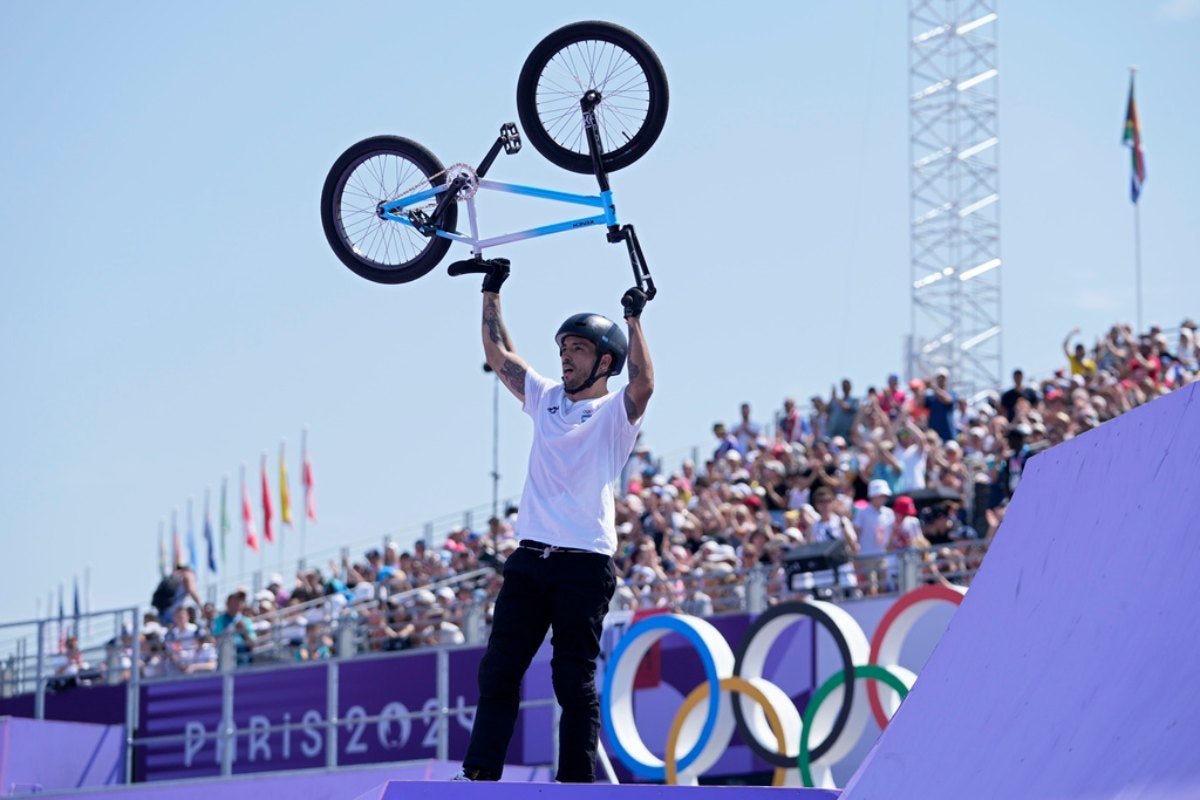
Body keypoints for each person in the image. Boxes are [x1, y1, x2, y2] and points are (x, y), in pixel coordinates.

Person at [451, 258, 653, 783]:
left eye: (577, 350)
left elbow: (644, 385)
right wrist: (491, 291)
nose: (565, 359)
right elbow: (500, 358)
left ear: (605, 361)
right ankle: (479, 775)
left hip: (584, 564)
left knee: (572, 680)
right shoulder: (545, 399)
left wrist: (634, 322)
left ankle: (577, 785)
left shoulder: (614, 414)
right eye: (563, 349)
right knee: (498, 670)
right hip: (529, 559)